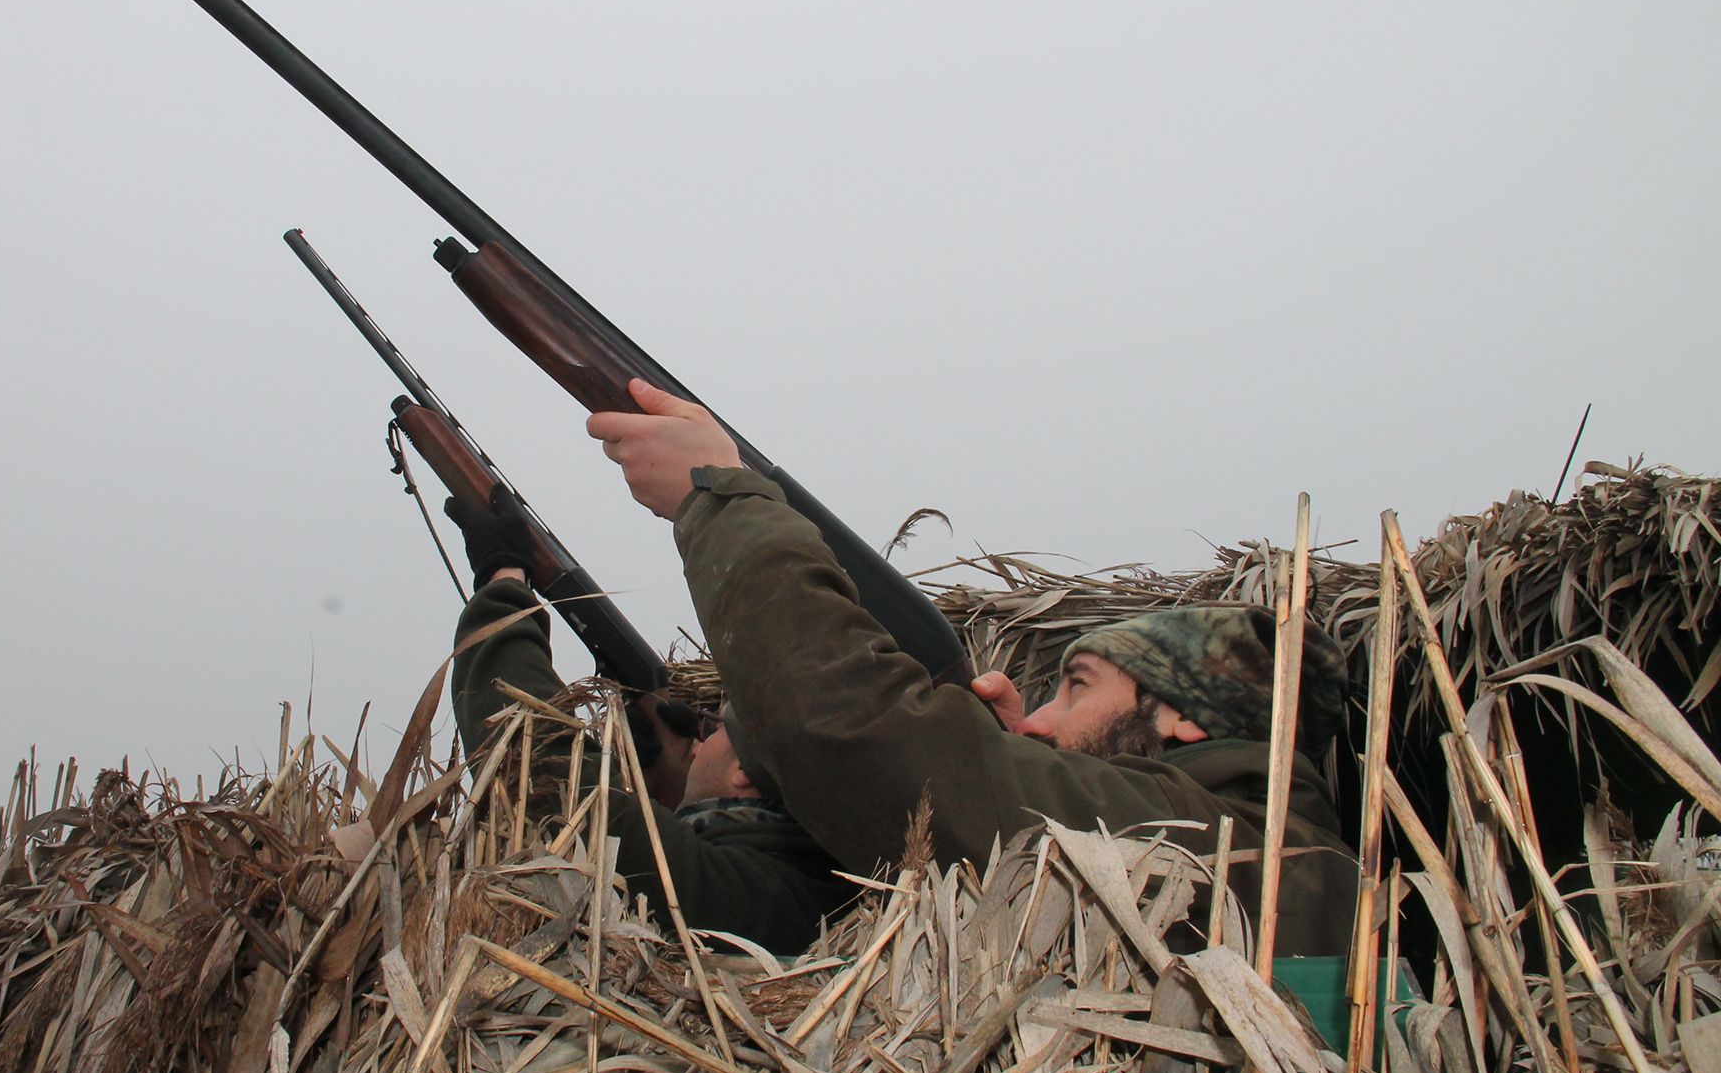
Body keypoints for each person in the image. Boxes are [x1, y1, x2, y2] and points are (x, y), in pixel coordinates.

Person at [582, 380, 1359, 958]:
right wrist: (998, 755)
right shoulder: (1269, 855)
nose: (1041, 721)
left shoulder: (1217, 842)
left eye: (1078, 686)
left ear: (1182, 715)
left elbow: (848, 729)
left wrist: (718, 493)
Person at [445, 488, 860, 956]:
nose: (697, 739)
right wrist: (660, 784)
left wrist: (504, 578)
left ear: (743, 775)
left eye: (716, 728)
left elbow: (539, 768)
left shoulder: (741, 892)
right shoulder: (810, 886)